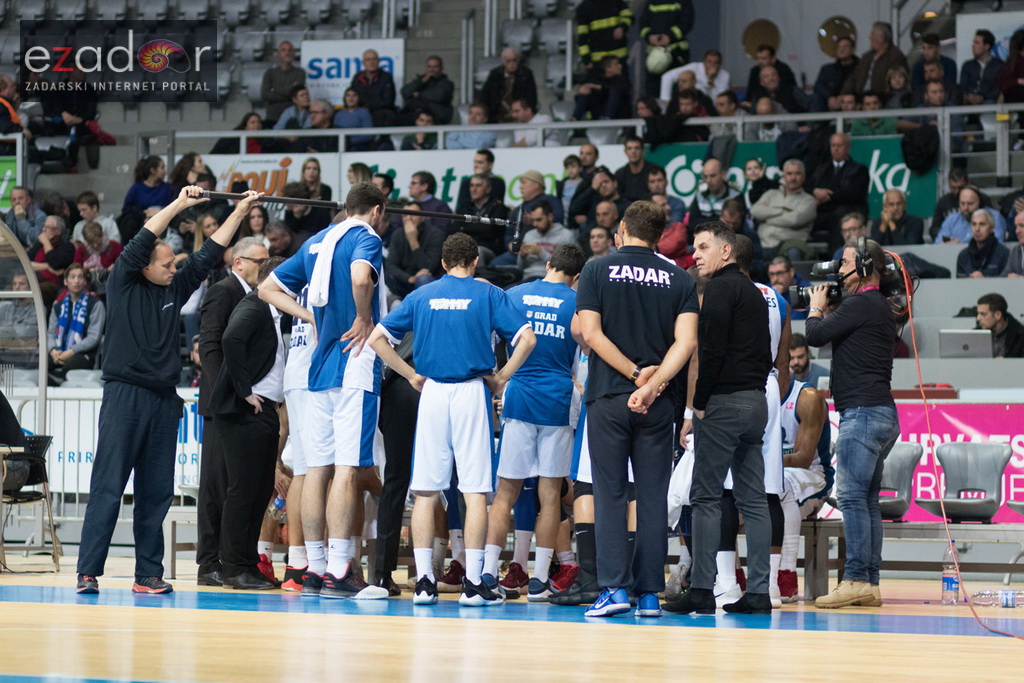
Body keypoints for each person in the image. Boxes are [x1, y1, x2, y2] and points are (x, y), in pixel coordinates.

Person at [75, 187, 262, 596]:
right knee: (108, 486)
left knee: (157, 492)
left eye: (174, 263)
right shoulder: (123, 282)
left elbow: (210, 251)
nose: (174, 269)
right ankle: (87, 571)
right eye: (165, 264)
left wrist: (240, 209)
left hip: (163, 399)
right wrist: (180, 204)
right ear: (144, 266)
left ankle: (147, 574)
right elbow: (145, 236)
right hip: (125, 395)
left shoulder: (174, 288)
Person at [367, 232, 537, 606]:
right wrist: (502, 377)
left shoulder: (422, 294)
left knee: (426, 491)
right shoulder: (489, 293)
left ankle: (425, 583)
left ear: (443, 262)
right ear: (474, 261)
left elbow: (377, 338)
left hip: (432, 392)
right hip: (471, 392)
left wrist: (410, 375)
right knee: (474, 492)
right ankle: (473, 584)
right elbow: (527, 339)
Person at [258, 183, 392, 601]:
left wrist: (310, 317)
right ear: (375, 210)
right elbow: (360, 276)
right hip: (354, 361)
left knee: (316, 469)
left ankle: (314, 569)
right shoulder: (366, 237)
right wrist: (364, 316)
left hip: (317, 367)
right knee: (347, 469)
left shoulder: (316, 241)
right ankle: (339, 569)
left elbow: (266, 288)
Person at [576, 200, 699, 618]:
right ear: (660, 235)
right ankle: (649, 595)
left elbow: (591, 334)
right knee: (652, 497)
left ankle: (614, 590)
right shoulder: (679, 277)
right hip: (659, 402)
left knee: (610, 494)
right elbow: (687, 343)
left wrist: (633, 375)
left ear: (623, 229)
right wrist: (654, 383)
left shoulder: (596, 269)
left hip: (610, 396)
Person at [666, 220, 772, 616]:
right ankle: (759, 593)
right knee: (754, 500)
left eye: (703, 247)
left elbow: (709, 351)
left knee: (706, 497)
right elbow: (765, 352)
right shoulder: (755, 293)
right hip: (756, 402)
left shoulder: (719, 289)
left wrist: (699, 402)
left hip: (724, 403)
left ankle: (701, 591)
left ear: (726, 251)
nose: (695, 255)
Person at [482, 244, 586, 601]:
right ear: (576, 275)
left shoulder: (516, 294)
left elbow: (491, 338)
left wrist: (499, 375)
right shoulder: (577, 302)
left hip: (520, 397)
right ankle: (540, 579)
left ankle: (487, 573)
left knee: (505, 493)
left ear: (548, 264)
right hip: (557, 400)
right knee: (550, 493)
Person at [805, 239, 899, 609]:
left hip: (861, 413)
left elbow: (814, 336)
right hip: (881, 413)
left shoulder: (861, 303)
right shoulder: (877, 304)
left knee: (852, 498)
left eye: (843, 263)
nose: (837, 271)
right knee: (867, 500)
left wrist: (816, 308)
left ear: (864, 267)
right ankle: (869, 582)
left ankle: (857, 578)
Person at [194, 235, 271, 587]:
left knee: (237, 485)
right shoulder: (223, 291)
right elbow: (209, 345)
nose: (265, 267)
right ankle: (209, 562)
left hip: (240, 400)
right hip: (222, 404)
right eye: (260, 261)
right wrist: (226, 393)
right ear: (238, 262)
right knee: (216, 485)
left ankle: (233, 559)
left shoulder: (257, 295)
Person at [208, 257, 287, 590]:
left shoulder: (272, 312)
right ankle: (233, 567)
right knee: (243, 491)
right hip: (246, 411)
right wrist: (244, 390)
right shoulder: (255, 305)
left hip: (265, 410)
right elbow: (230, 339)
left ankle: (248, 564)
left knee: (259, 491)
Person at [777, 377, 832, 602]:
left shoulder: (807, 397)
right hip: (770, 471)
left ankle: (787, 576)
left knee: (783, 485)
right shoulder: (755, 393)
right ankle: (734, 577)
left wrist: (761, 461)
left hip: (813, 475)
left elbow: (803, 458)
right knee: (727, 488)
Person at [807, 133, 870, 250]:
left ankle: (838, 256)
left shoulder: (859, 169)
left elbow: (855, 194)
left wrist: (829, 196)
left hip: (848, 210)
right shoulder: (821, 169)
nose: (836, 149)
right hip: (823, 212)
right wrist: (815, 191)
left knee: (839, 217)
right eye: (833, 145)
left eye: (839, 145)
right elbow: (808, 186)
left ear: (848, 147)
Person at [46, 263, 105, 383]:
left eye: (80, 277)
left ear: (85, 281)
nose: (76, 281)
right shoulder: (58, 306)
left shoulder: (95, 304)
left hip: (84, 354)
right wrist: (53, 351)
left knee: (70, 367)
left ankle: (59, 385)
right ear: (65, 281)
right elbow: (50, 334)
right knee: (42, 364)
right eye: (72, 277)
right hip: (59, 351)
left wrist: (71, 351)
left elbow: (94, 338)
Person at [750, 159, 817, 260]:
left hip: (789, 243)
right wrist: (781, 211)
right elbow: (755, 210)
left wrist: (766, 219)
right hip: (763, 242)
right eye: (789, 174)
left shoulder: (809, 200)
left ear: (803, 177)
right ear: (783, 176)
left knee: (794, 251)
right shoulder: (771, 194)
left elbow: (794, 220)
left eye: (797, 174)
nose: (793, 178)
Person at [385, 201, 445, 297]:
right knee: (384, 276)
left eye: (412, 214)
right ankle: (395, 303)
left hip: (429, 281)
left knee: (423, 278)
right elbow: (391, 266)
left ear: (422, 217)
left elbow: (429, 268)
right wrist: (409, 278)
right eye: (405, 215)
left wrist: (413, 241)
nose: (408, 219)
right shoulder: (397, 234)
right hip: (405, 280)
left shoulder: (435, 234)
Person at [639, 0, 694, 93]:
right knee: (653, 92)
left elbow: (687, 21)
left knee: (677, 92)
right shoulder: (651, 1)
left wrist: (670, 36)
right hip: (655, 58)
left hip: (677, 55)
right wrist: (650, 37)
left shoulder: (683, 1)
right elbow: (643, 24)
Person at [452, 174, 509, 260]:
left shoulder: (498, 208)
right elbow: (455, 230)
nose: (474, 189)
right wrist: (479, 227)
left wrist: (465, 227)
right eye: (471, 185)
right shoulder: (464, 208)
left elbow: (491, 231)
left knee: (476, 252)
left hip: (488, 249)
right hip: (465, 247)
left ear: (488, 189)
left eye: (478, 185)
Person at [844, 22, 908, 93]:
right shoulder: (867, 57)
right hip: (860, 96)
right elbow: (854, 77)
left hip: (881, 97)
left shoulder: (896, 57)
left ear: (882, 38)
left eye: (872, 34)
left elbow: (896, 82)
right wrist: (845, 93)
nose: (870, 37)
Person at [478, 48, 538, 123]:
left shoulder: (526, 74)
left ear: (518, 61)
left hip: (519, 118)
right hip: (497, 117)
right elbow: (485, 96)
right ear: (503, 62)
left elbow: (532, 97)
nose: (512, 64)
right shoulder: (495, 74)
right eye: (508, 61)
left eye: (514, 60)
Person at [518, 203, 576, 281]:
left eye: (539, 220)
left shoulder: (566, 235)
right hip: (528, 277)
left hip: (552, 278)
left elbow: (568, 266)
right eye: (532, 220)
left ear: (550, 217)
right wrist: (522, 256)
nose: (535, 224)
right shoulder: (529, 235)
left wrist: (540, 252)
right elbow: (520, 268)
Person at [934, 186, 1006, 245]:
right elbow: (938, 244)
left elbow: (997, 244)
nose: (966, 208)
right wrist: (946, 245)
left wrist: (959, 246)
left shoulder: (994, 217)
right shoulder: (951, 219)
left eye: (970, 203)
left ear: (979, 203)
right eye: (962, 203)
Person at [397, 55, 454, 125]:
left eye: (435, 67)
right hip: (414, 114)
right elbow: (404, 92)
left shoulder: (447, 83)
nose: (432, 69)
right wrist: (421, 81)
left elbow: (439, 96)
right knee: (394, 120)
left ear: (441, 68)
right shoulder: (420, 80)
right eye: (429, 66)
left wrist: (418, 94)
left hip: (436, 115)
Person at [572, 56, 631, 122]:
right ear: (608, 69)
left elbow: (619, 89)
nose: (620, 66)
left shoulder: (622, 80)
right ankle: (574, 120)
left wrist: (599, 87)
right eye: (616, 64)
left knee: (614, 91)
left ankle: (607, 120)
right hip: (598, 114)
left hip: (618, 115)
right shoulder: (596, 79)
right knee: (586, 91)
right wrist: (582, 90)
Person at [956, 209, 1010, 279]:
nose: (977, 229)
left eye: (982, 224)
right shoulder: (963, 255)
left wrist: (984, 280)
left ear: (992, 228)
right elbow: (959, 283)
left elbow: (1006, 282)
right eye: (974, 224)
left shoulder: (1004, 253)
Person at [575, 0, 631, 66]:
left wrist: (622, 27)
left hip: (619, 58)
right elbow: (582, 38)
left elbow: (628, 16)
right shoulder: (583, 8)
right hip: (598, 62)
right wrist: (586, 59)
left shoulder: (616, 2)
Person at [811, 36, 859, 112]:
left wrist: (843, 97)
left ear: (853, 50)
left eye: (845, 47)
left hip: (852, 100)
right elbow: (818, 86)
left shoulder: (860, 68)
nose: (841, 50)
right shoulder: (827, 69)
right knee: (816, 98)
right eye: (839, 47)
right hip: (830, 103)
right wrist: (830, 97)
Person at [687, 158, 740, 227]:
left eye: (712, 176)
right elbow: (692, 223)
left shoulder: (735, 196)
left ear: (723, 174)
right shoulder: (699, 195)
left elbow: (737, 225)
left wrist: (704, 221)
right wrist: (718, 221)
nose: (708, 180)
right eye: (705, 176)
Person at [350, 49, 396, 127]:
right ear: (363, 62)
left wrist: (368, 107)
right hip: (361, 111)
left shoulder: (386, 77)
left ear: (378, 61)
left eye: (374, 59)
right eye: (368, 60)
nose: (371, 62)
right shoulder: (357, 77)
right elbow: (353, 95)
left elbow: (388, 101)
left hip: (380, 112)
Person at [261, 42, 305, 123]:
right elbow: (265, 94)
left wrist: (275, 89)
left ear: (294, 53)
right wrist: (290, 92)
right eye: (283, 50)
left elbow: (297, 94)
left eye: (290, 50)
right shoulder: (270, 73)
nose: (287, 53)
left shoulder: (300, 72)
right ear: (278, 54)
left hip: (293, 117)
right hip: (273, 117)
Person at [662, 49, 729, 102]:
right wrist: (667, 101)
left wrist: (710, 80)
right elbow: (667, 77)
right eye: (709, 62)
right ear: (704, 62)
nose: (712, 65)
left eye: (716, 62)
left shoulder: (725, 76)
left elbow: (719, 99)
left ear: (720, 64)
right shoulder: (694, 67)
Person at [959, 30, 1002, 104]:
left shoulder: (999, 65)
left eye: (977, 43)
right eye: (973, 43)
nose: (973, 46)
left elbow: (999, 88)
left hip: (990, 102)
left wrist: (983, 98)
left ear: (986, 46)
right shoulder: (967, 66)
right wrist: (968, 96)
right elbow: (963, 87)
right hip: (969, 103)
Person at [976, 293, 1024, 358]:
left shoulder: (1020, 337)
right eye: (978, 313)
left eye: (983, 314)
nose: (978, 318)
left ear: (998, 315)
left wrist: (1007, 362)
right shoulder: (976, 334)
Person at [613, 135, 656, 203]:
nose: (633, 151)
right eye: (630, 148)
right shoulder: (620, 174)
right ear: (625, 151)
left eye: (637, 148)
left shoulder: (654, 171)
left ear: (642, 150)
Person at [768, 255, 811, 321]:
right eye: (771, 274)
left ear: (791, 272)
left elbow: (796, 321)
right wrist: (773, 296)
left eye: (779, 273)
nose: (775, 279)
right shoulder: (765, 290)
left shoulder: (805, 290)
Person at [1003, 212, 1024, 277]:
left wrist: (1020, 279)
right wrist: (984, 279)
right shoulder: (1015, 250)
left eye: (1022, 226)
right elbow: (1004, 277)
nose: (1017, 231)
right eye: (1016, 227)